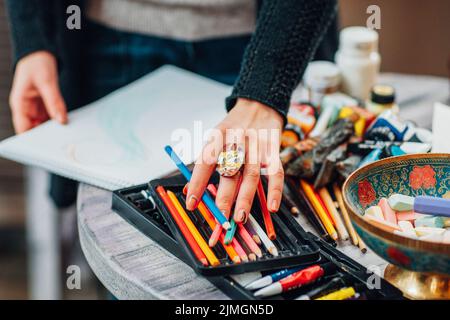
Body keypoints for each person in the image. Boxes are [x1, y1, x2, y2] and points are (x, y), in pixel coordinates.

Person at [6, 0, 338, 223]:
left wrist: (266, 90)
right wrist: (35, 39)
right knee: (128, 240)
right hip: (104, 40)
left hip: (259, 41)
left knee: (247, 223)